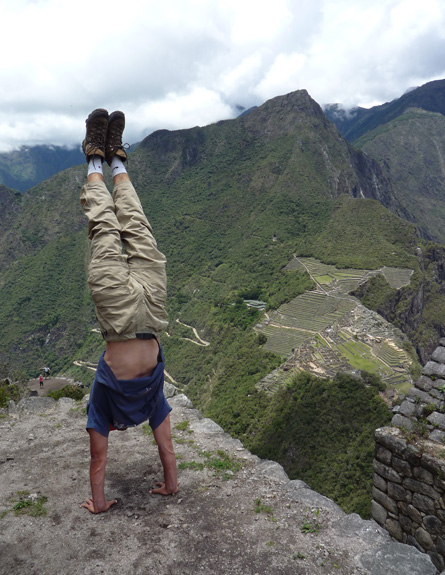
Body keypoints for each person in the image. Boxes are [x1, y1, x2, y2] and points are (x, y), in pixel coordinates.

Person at [79, 109, 178, 514]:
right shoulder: (105, 401)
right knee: (114, 227)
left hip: (145, 314)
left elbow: (167, 450)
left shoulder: (152, 398)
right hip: (131, 313)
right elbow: (98, 460)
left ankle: (97, 156)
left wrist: (172, 485)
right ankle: (112, 156)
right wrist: (98, 501)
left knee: (131, 227)